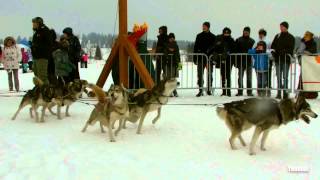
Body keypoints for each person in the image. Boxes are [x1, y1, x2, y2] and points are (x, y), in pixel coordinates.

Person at [271, 21, 295, 99]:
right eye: (280, 26)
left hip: (286, 60)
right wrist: (273, 52)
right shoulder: (277, 36)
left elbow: (291, 49)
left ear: (286, 27)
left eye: (282, 26)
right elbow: (273, 46)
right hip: (278, 60)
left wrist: (283, 52)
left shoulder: (291, 37)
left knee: (285, 77)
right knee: (278, 77)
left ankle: (285, 93)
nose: (281, 28)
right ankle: (278, 93)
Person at [193, 22, 216, 97]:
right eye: (203, 26)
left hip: (209, 59)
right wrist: (195, 58)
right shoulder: (199, 36)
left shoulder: (213, 36)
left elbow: (214, 48)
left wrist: (213, 58)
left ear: (208, 27)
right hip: (200, 58)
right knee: (200, 74)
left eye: (205, 26)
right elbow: (195, 47)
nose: (203, 27)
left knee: (210, 74)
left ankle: (209, 89)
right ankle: (200, 89)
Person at [213, 27, 236, 97]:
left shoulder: (231, 40)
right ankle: (224, 91)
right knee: (223, 75)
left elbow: (234, 49)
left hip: (229, 60)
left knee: (228, 76)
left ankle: (228, 91)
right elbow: (216, 48)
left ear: (229, 33)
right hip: (221, 60)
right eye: (225, 33)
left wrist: (228, 52)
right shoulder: (219, 40)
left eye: (227, 33)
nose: (226, 34)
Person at [296, 31, 318, 99]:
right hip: (304, 63)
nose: (305, 37)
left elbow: (313, 51)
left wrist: (306, 52)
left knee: (309, 78)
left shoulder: (313, 43)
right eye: (305, 35)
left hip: (310, 64)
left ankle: (311, 94)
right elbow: (298, 51)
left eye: (307, 35)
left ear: (310, 36)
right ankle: (301, 93)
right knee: (302, 77)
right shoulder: (302, 43)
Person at [31, 17, 52, 84]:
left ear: (39, 23)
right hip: (36, 57)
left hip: (42, 57)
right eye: (33, 23)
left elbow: (49, 43)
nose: (33, 24)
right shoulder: (36, 32)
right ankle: (39, 91)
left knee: (42, 76)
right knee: (36, 76)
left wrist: (38, 47)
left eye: (34, 23)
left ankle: (47, 92)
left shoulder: (45, 31)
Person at [235, 27, 255, 96]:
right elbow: (236, 51)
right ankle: (240, 91)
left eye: (247, 32)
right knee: (240, 77)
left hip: (249, 61)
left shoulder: (252, 41)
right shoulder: (238, 40)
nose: (246, 33)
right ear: (243, 32)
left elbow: (254, 50)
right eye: (245, 31)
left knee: (249, 78)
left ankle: (249, 92)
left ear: (249, 32)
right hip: (240, 61)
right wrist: (236, 62)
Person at [164, 33, 181, 97]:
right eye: (170, 38)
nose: (172, 39)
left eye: (173, 38)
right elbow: (165, 53)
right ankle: (170, 91)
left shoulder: (176, 45)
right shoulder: (166, 45)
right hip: (167, 64)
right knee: (168, 78)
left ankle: (174, 91)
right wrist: (169, 51)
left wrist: (180, 66)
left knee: (173, 78)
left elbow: (178, 55)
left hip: (174, 64)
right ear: (169, 39)